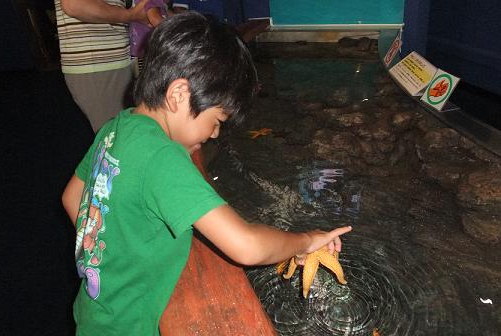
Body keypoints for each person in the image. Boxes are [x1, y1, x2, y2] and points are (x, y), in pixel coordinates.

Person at [61, 12, 352, 335]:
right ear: (179, 95)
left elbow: (73, 197)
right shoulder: (162, 158)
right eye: (217, 120)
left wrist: (119, 249)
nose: (214, 134)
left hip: (94, 312)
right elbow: (247, 246)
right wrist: (305, 241)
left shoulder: (116, 127)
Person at [55, 0, 148, 132]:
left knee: (127, 132)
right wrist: (132, 15)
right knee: (120, 137)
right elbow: (74, 5)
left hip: (109, 62)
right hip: (97, 63)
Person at [129, 0, 169, 73]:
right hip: (144, 53)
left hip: (139, 51)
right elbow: (155, 20)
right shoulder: (153, 1)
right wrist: (172, 27)